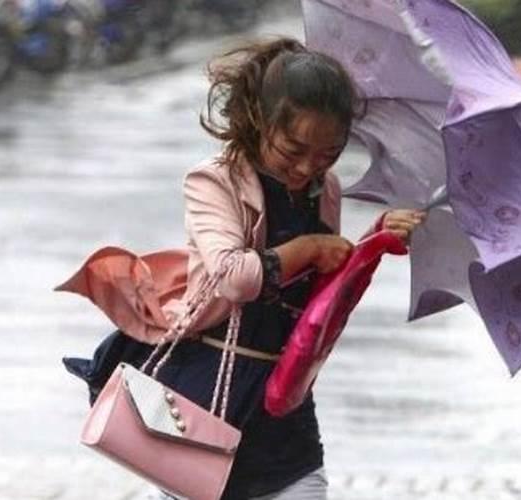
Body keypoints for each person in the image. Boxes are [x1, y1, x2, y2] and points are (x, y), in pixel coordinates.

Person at [143, 37, 426, 500]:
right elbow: (232, 277)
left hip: (283, 396)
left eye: (327, 153)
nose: (307, 166)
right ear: (260, 120)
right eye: (293, 148)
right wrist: (311, 246)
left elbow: (319, 299)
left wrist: (374, 240)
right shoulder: (215, 179)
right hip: (210, 390)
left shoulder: (324, 189)